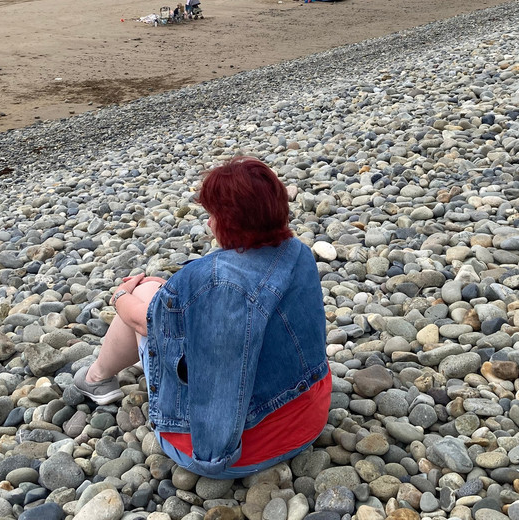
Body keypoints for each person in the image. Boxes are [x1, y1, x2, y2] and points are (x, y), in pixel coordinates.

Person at [74, 157, 331, 479]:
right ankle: (108, 369)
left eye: (212, 215)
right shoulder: (296, 252)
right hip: (309, 418)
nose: (209, 224)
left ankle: (96, 378)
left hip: (241, 449)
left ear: (228, 220)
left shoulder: (214, 282)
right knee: (156, 288)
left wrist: (119, 296)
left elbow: (147, 324)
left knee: (144, 299)